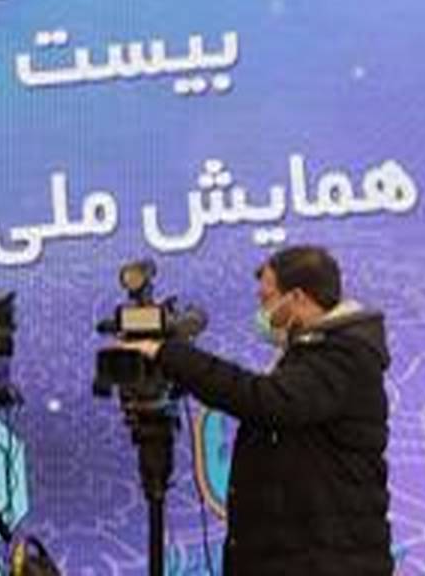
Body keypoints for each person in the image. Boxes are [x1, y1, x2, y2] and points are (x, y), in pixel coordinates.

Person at [121, 245, 393, 575]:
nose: (261, 310)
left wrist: (170, 355)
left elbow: (264, 400)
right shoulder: (311, 353)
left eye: (267, 299)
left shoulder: (344, 356)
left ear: (297, 298)